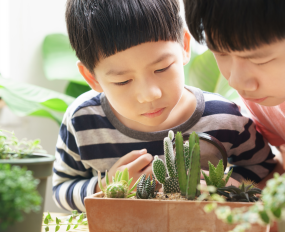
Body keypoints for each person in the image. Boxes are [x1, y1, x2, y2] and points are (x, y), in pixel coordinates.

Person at [52, 0, 275, 213]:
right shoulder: (82, 119)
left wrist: (228, 187)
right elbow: (62, 189)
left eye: (162, 68)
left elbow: (265, 173)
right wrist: (106, 186)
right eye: (123, 81)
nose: (150, 94)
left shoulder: (226, 117)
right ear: (92, 78)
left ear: (185, 47)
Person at [183, 0, 285, 189]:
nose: (235, 82)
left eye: (261, 60)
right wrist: (233, 188)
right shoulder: (263, 98)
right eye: (220, 53)